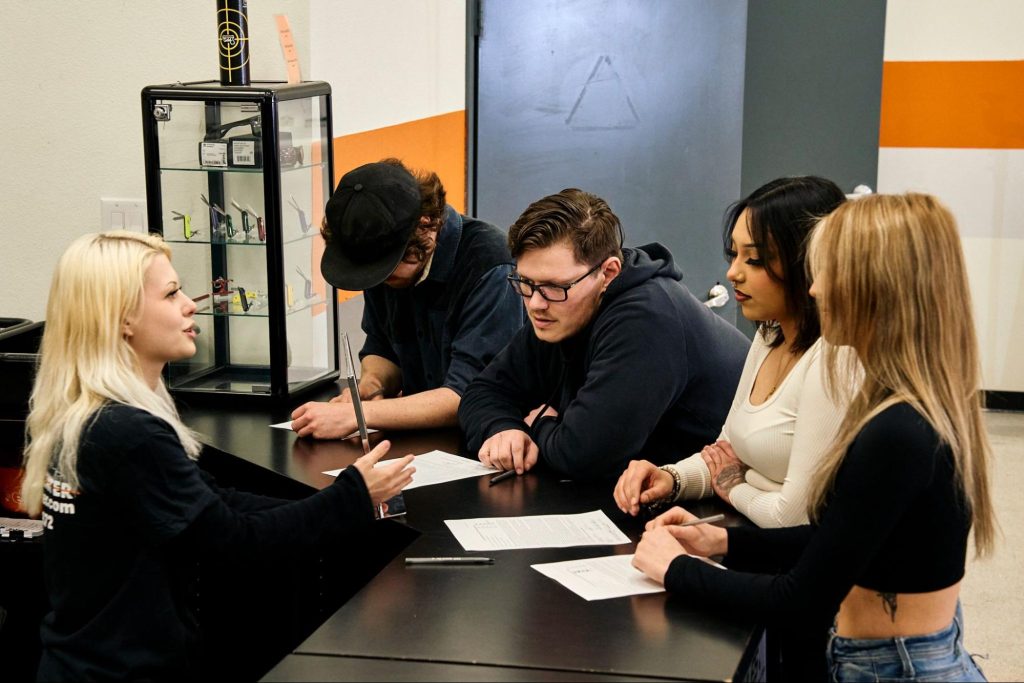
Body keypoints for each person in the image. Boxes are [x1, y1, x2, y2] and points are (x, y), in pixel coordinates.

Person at [632, 193, 997, 681]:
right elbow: (836, 539)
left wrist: (675, 568)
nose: (817, 288)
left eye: (828, 272)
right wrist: (718, 541)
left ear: (876, 288)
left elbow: (802, 598)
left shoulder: (897, 432)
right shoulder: (907, 408)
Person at [21, 232, 415, 681]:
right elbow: (235, 541)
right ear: (122, 318)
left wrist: (337, 501)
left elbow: (214, 502)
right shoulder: (128, 434)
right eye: (171, 294)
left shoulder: (89, 416)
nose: (190, 304)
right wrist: (352, 497)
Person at [458, 188, 750, 479]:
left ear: (608, 273)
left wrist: (538, 424)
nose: (535, 303)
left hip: (722, 496)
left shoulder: (647, 317)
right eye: (525, 282)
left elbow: (582, 455)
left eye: (553, 286)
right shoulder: (559, 309)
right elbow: (482, 392)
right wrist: (503, 429)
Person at [614, 176, 848, 527]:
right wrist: (671, 479)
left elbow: (794, 515)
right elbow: (729, 452)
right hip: (753, 539)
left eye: (753, 260)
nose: (733, 273)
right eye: (734, 254)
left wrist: (736, 485)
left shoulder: (835, 359)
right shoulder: (770, 335)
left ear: (808, 261)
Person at [290, 159, 525, 438]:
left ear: (424, 226)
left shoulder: (489, 265)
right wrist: (371, 386)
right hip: (420, 437)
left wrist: (359, 414)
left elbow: (470, 394)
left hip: (489, 442)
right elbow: (384, 347)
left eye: (386, 269)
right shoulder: (384, 254)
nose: (379, 280)